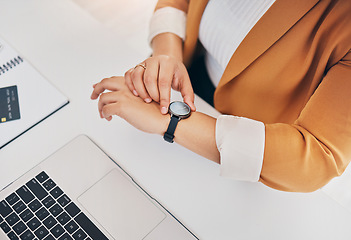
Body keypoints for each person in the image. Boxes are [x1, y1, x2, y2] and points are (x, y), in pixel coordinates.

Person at [91, 0, 351, 192]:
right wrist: (167, 53)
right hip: (183, 79)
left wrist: (171, 120)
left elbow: (319, 154)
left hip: (247, 152)